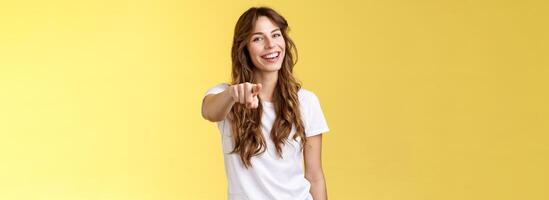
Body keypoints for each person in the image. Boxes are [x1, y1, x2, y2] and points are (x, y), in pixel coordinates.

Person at [201, 6, 330, 200]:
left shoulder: (306, 101)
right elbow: (209, 111)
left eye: (276, 35)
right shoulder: (226, 95)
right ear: (244, 48)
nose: (270, 45)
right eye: (258, 38)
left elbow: (315, 176)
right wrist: (233, 95)